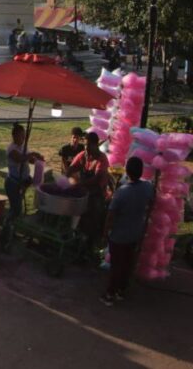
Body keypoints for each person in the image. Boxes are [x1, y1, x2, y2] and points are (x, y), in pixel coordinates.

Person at [101, 156, 154, 306]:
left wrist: (105, 234)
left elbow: (110, 216)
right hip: (135, 233)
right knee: (128, 264)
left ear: (127, 172)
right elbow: (151, 202)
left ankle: (110, 295)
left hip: (119, 236)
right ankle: (121, 291)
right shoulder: (148, 187)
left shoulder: (121, 192)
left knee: (116, 265)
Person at [0, 123, 43, 251]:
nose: (22, 139)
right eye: (20, 136)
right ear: (14, 136)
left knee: (17, 209)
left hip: (22, 183)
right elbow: (19, 159)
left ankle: (9, 232)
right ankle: (5, 235)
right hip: (12, 183)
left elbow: (28, 159)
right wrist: (32, 154)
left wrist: (35, 159)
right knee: (15, 209)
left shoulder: (23, 147)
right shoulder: (11, 149)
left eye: (24, 136)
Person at [67, 131, 111, 246]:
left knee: (92, 216)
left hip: (97, 194)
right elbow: (72, 168)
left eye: (88, 145)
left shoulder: (102, 159)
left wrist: (80, 183)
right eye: (85, 145)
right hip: (83, 192)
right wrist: (67, 176)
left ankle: (91, 241)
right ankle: (74, 233)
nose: (86, 148)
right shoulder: (83, 155)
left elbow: (96, 179)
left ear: (95, 145)